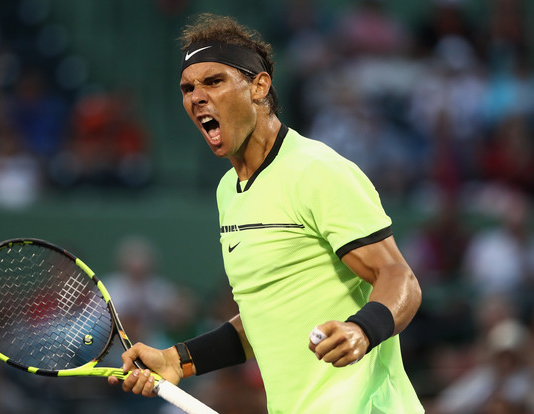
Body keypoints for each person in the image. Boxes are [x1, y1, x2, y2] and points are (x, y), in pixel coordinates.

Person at [108, 13, 423, 413]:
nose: (196, 96)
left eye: (214, 81)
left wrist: (362, 329)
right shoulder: (229, 191)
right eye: (188, 87)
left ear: (259, 86)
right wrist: (178, 360)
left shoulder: (317, 170)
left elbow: (400, 278)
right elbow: (264, 319)